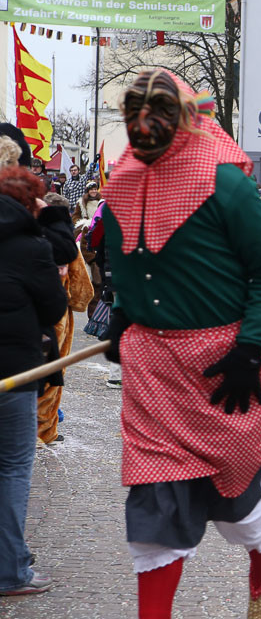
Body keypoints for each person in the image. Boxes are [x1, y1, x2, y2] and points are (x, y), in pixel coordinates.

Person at [99, 69, 261, 617]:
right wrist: (121, 315)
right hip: (153, 372)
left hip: (222, 364)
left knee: (239, 502)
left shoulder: (223, 180)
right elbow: (128, 262)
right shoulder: (122, 180)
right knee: (156, 507)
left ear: (184, 116)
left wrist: (252, 347)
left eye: (156, 112)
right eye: (133, 113)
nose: (142, 125)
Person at [0, 166, 69, 597]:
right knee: (11, 471)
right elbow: (55, 305)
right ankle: (10, 571)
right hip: (15, 375)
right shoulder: (31, 246)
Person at [37, 193, 94, 445]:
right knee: (51, 374)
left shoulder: (26, 235)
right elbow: (82, 295)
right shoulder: (66, 244)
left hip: (24, 312)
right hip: (57, 316)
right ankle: (44, 430)